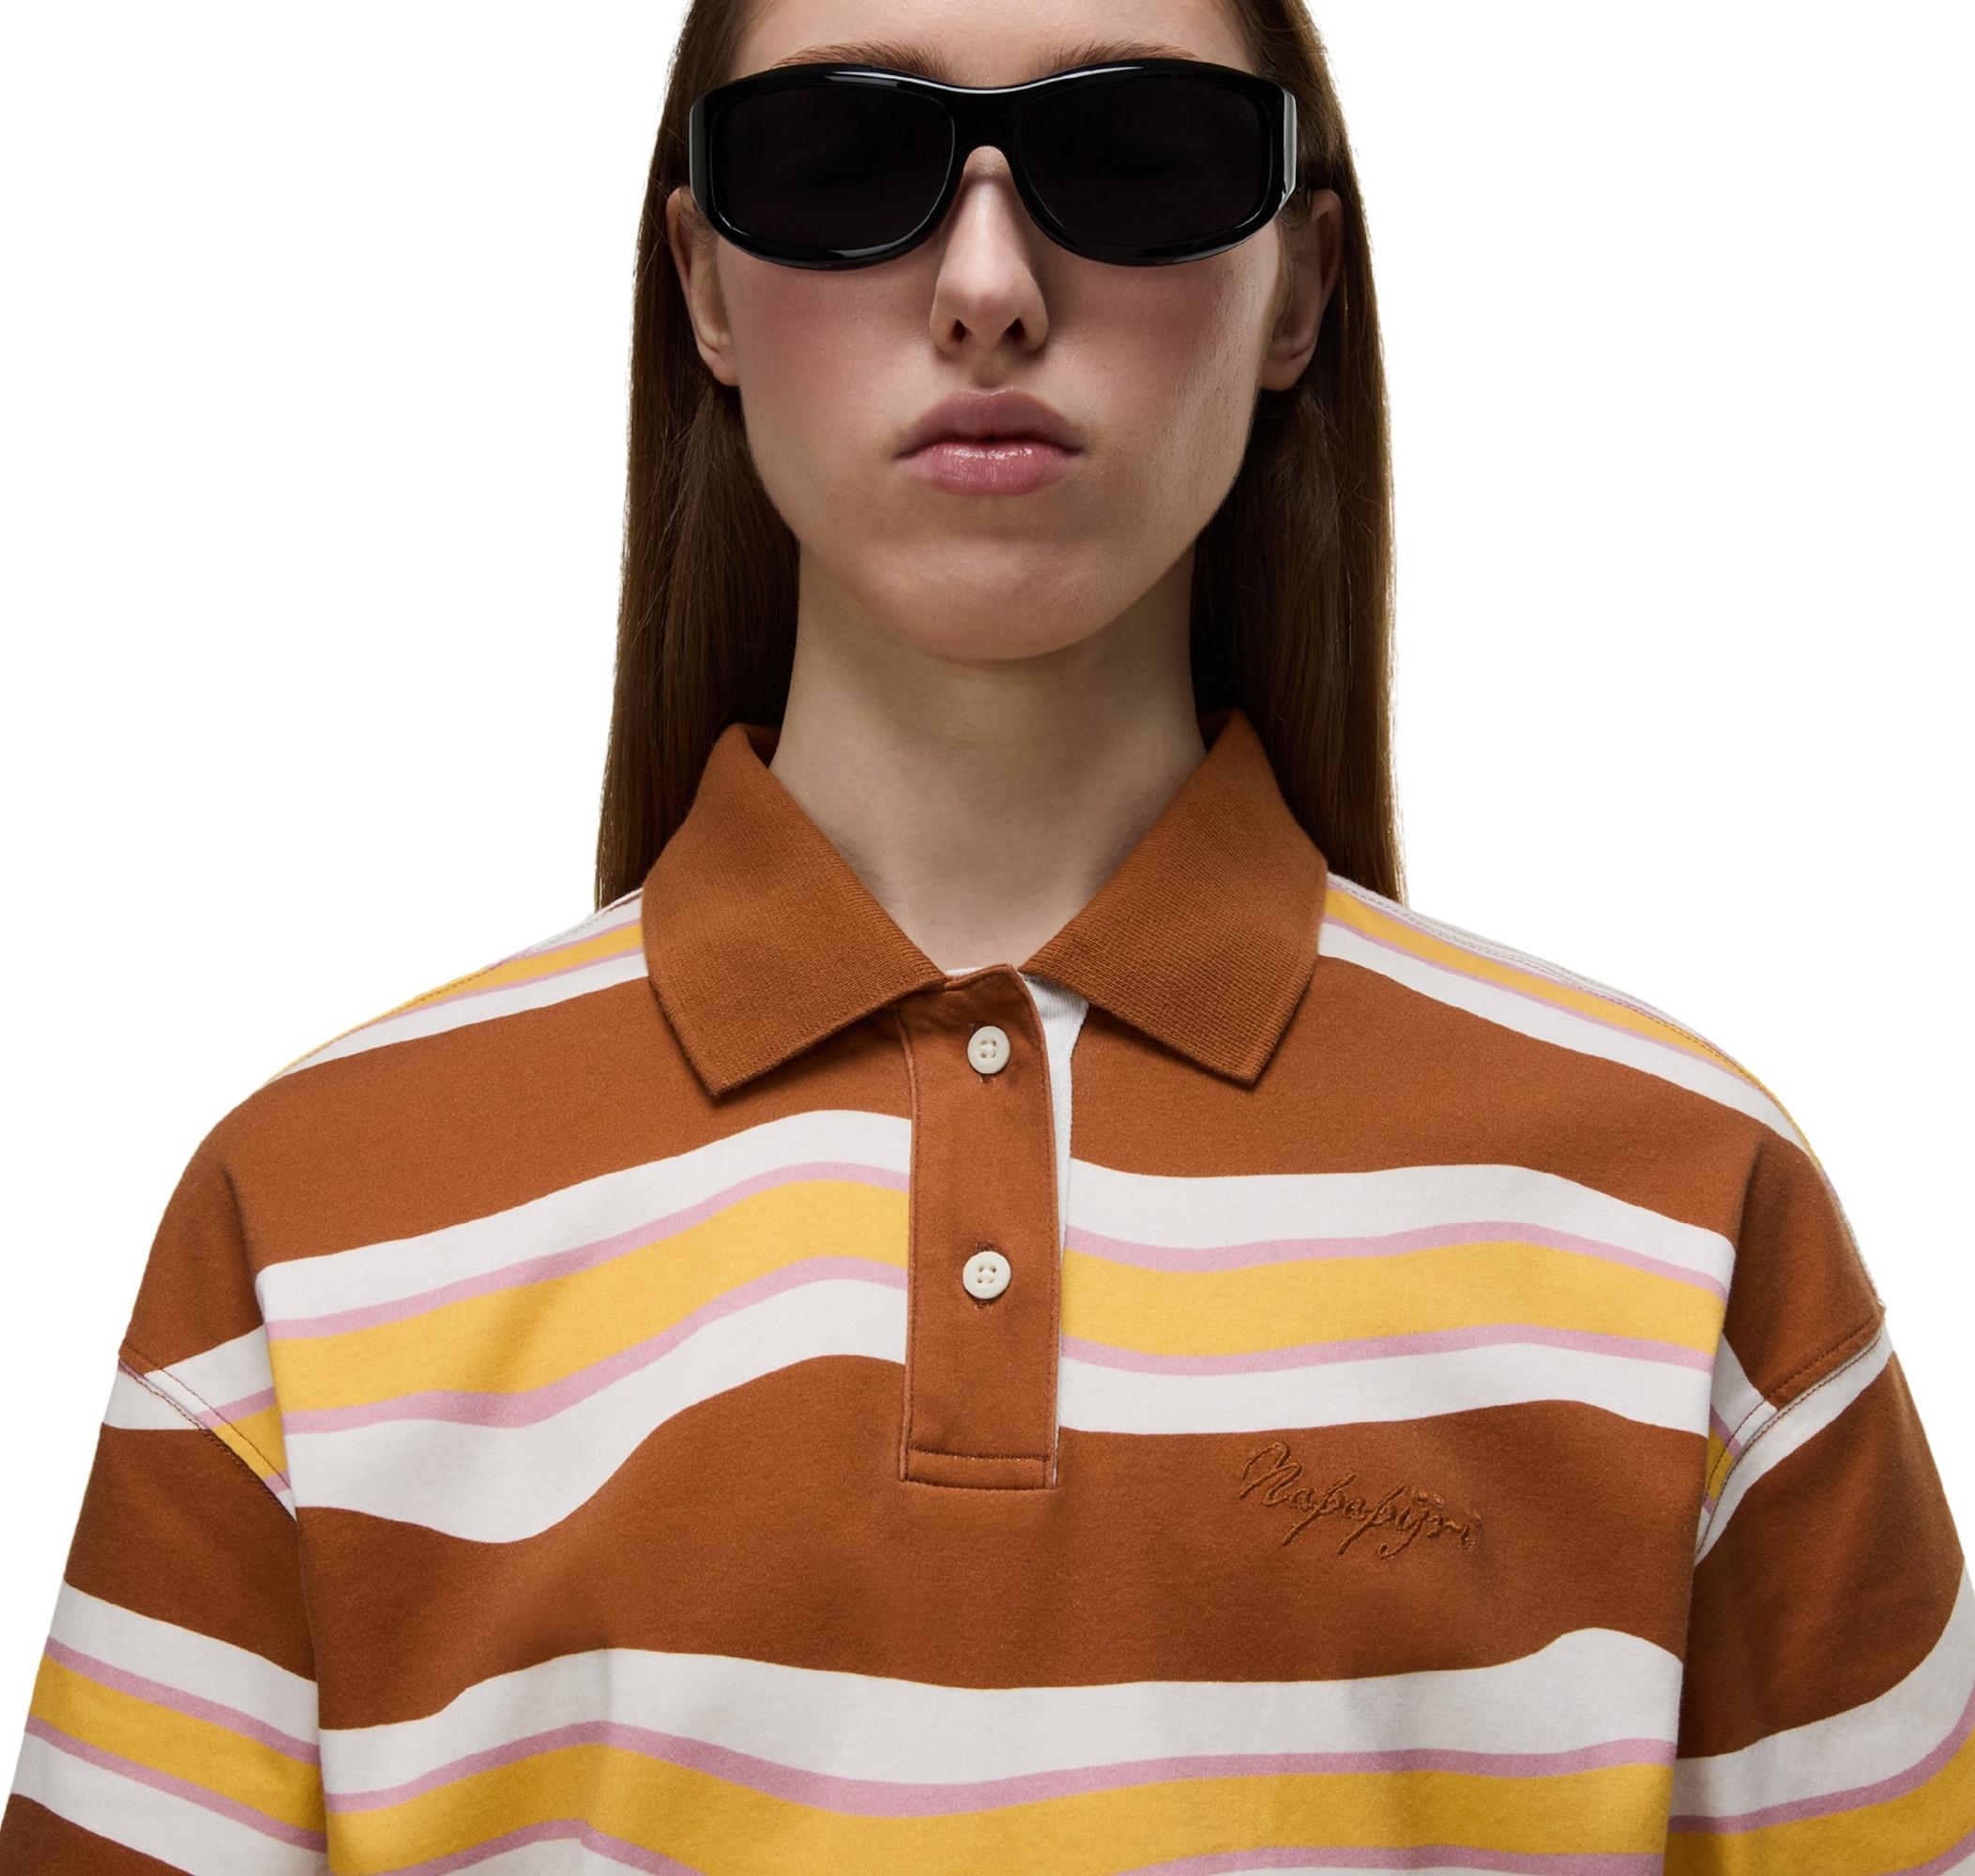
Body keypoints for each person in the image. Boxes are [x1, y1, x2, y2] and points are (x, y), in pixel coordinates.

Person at [5, 1, 1971, 1870]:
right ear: (701, 284)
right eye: (843, 157)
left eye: (1134, 151)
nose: (986, 285)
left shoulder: (1679, 1207)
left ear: (1300, 286)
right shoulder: (318, 1217)